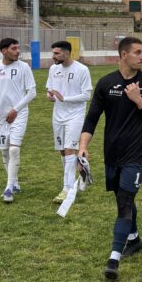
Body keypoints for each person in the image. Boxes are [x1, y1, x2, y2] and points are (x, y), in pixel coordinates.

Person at [79, 36, 142, 280]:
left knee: (125, 201)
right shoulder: (106, 83)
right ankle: (135, 239)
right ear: (124, 55)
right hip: (112, 154)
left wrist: (138, 100)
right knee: (122, 197)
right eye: (138, 52)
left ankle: (114, 258)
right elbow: (92, 117)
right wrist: (83, 147)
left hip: (137, 154)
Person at [0, 38, 36, 203]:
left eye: (18, 48)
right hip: (0, 117)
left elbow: (32, 92)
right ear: (4, 51)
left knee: (13, 150)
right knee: (4, 150)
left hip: (19, 114)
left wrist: (16, 110)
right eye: (14, 48)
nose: (18, 51)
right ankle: (15, 182)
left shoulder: (24, 67)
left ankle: (9, 188)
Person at [46, 40, 93, 204]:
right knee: (62, 151)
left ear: (67, 53)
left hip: (75, 115)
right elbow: (50, 89)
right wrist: (50, 95)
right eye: (53, 53)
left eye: (57, 53)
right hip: (58, 115)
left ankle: (67, 189)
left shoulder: (82, 69)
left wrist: (65, 98)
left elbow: (87, 95)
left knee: (69, 150)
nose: (53, 56)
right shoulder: (53, 69)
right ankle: (82, 169)